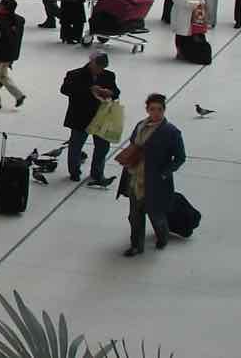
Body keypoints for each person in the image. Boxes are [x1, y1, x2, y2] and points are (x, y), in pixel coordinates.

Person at [116, 93, 186, 257]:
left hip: (155, 182)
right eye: (152, 109)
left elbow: (180, 158)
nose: (155, 113)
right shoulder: (140, 126)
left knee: (156, 215)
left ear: (164, 110)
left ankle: (163, 236)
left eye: (159, 109)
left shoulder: (171, 132)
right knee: (135, 215)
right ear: (147, 110)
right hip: (135, 177)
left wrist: (164, 174)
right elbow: (134, 144)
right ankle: (136, 245)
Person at [61, 52, 120, 185]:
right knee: (76, 146)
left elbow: (116, 92)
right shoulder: (74, 74)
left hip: (101, 117)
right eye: (98, 66)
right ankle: (74, 172)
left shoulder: (109, 75)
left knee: (102, 147)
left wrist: (110, 93)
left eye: (102, 67)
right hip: (80, 116)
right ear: (91, 62)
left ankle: (97, 173)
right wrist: (89, 90)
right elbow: (65, 90)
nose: (100, 70)